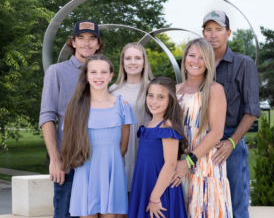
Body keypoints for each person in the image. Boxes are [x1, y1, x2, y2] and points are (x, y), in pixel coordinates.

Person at [39, 19, 105, 218]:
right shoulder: (56, 72)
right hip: (68, 163)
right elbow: (47, 117)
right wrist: (55, 159)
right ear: (73, 42)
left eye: (92, 39)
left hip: (96, 161)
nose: (87, 43)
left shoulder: (102, 74)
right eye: (81, 38)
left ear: (98, 44)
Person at [61, 54, 136, 218]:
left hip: (112, 172)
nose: (98, 76)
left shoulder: (122, 106)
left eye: (103, 72)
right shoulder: (76, 107)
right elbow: (70, 144)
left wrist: (108, 163)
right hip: (86, 172)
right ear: (86, 76)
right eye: (93, 72)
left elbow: (123, 147)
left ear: (111, 75)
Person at [202, 10, 260, 218]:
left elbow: (252, 110)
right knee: (205, 202)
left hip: (229, 142)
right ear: (203, 33)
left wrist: (232, 142)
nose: (213, 34)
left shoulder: (243, 64)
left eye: (218, 29)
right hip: (201, 140)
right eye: (208, 29)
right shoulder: (198, 64)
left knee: (236, 203)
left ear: (228, 33)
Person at [170, 38, 232, 218]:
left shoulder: (214, 89)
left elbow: (216, 133)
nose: (195, 61)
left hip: (204, 166)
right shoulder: (174, 90)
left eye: (202, 57)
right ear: (184, 58)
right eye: (192, 55)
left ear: (209, 62)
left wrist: (187, 162)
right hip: (177, 165)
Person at [128, 77, 188, 218]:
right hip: (144, 183)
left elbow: (170, 164)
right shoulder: (148, 124)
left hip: (159, 189)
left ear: (170, 101)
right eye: (150, 96)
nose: (154, 101)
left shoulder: (166, 126)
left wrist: (155, 197)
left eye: (161, 97)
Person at [109, 43, 154, 193]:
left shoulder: (153, 88)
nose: (133, 62)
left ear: (144, 61)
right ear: (122, 62)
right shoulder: (112, 90)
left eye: (137, 58)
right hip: (120, 156)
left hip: (146, 153)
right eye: (128, 58)